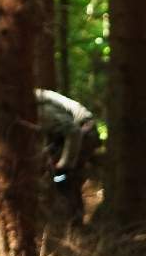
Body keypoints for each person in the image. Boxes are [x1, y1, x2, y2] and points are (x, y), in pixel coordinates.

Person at [36, 88, 100, 223]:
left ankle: (73, 223)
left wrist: (64, 164)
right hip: (72, 134)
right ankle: (70, 221)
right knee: (59, 176)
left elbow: (74, 132)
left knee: (63, 178)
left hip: (84, 132)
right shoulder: (38, 101)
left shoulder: (41, 108)